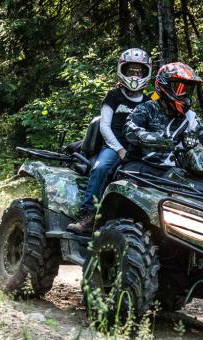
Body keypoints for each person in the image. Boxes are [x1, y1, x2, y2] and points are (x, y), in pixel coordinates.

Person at [67, 48, 153, 233]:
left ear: (146, 72)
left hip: (139, 149)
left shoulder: (148, 102)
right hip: (113, 146)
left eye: (139, 71)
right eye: (131, 71)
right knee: (100, 168)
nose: (135, 75)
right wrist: (120, 150)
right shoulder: (113, 96)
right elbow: (105, 126)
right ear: (123, 70)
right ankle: (88, 215)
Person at [124, 62, 203, 172]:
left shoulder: (190, 116)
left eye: (188, 90)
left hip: (175, 172)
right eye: (180, 89)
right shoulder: (147, 108)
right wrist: (149, 137)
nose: (185, 95)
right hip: (141, 167)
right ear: (164, 85)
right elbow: (129, 128)